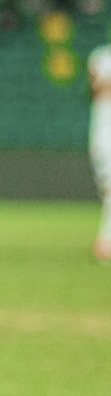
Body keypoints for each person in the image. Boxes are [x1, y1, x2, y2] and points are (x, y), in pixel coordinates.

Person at [87, 44, 111, 262]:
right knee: (108, 188)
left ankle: (105, 240)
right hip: (105, 133)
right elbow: (97, 88)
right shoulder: (101, 56)